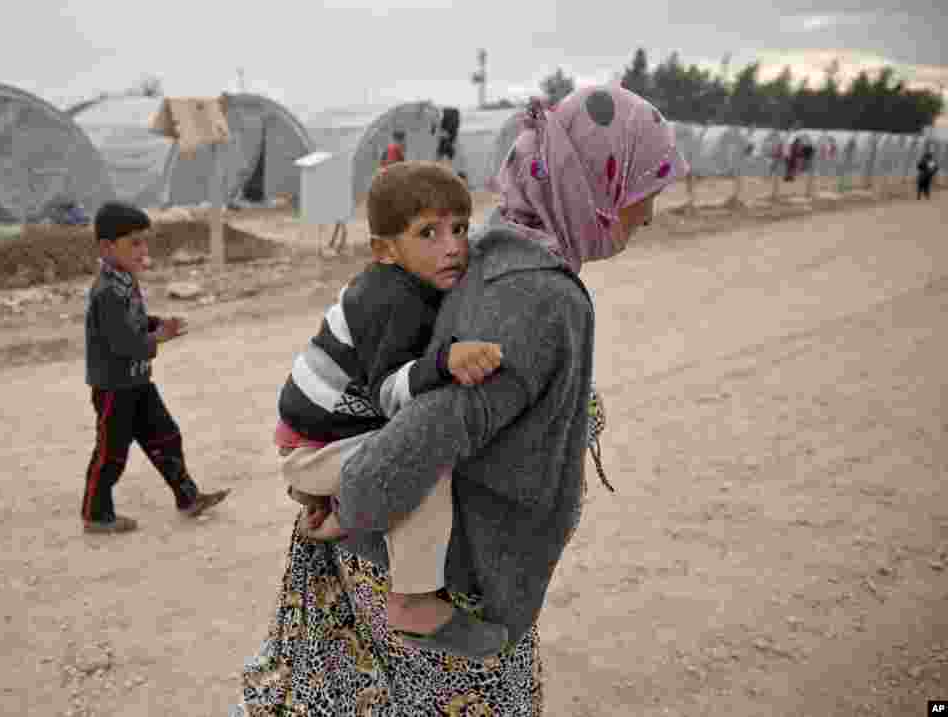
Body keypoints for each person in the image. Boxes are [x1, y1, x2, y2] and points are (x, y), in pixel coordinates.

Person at [233, 84, 689, 716]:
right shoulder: (536, 297)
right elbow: (431, 424)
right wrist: (353, 502)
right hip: (446, 574)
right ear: (590, 183)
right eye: (642, 192)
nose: (648, 214)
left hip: (400, 542)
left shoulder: (495, 246)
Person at [274, 161, 508, 658]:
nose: (452, 246)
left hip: (325, 439)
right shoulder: (392, 300)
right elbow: (388, 394)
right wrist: (445, 362)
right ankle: (414, 601)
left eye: (460, 228)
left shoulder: (416, 282)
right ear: (385, 250)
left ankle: (341, 508)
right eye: (428, 232)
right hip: (319, 447)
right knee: (426, 459)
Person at [82, 201, 230, 534]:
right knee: (112, 453)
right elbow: (124, 343)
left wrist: (157, 323)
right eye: (134, 242)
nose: (142, 249)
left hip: (137, 381)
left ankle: (188, 497)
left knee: (166, 435)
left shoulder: (125, 280)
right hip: (113, 388)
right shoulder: (106, 291)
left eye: (143, 241)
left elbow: (133, 324)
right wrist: (160, 336)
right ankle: (95, 513)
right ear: (106, 247)